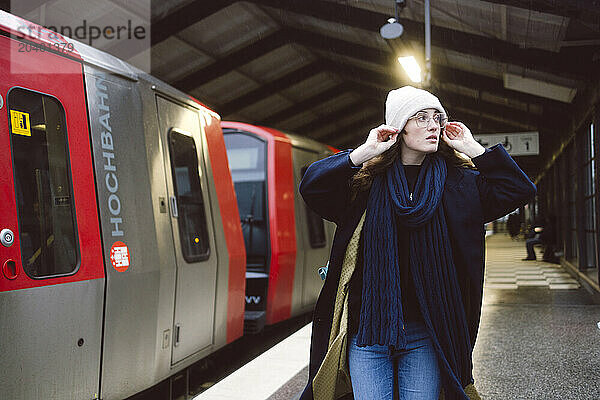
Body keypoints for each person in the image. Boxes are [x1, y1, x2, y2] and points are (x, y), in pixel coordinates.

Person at [298, 86, 536, 400]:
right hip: (368, 330)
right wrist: (365, 152)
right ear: (399, 128)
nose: (432, 125)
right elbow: (313, 186)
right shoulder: (365, 184)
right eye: (420, 118)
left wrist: (473, 148)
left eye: (437, 118)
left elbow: (519, 189)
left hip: (426, 331)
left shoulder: (458, 184)